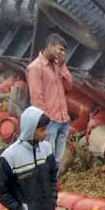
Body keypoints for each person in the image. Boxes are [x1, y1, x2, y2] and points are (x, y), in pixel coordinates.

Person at [26, 33, 72, 171]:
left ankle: (52, 186)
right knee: (46, 158)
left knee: (57, 160)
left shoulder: (58, 65)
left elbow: (69, 86)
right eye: (60, 49)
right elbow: (36, 97)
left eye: (64, 51)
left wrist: (63, 66)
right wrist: (42, 123)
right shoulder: (35, 67)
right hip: (50, 121)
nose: (62, 53)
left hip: (63, 119)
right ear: (50, 46)